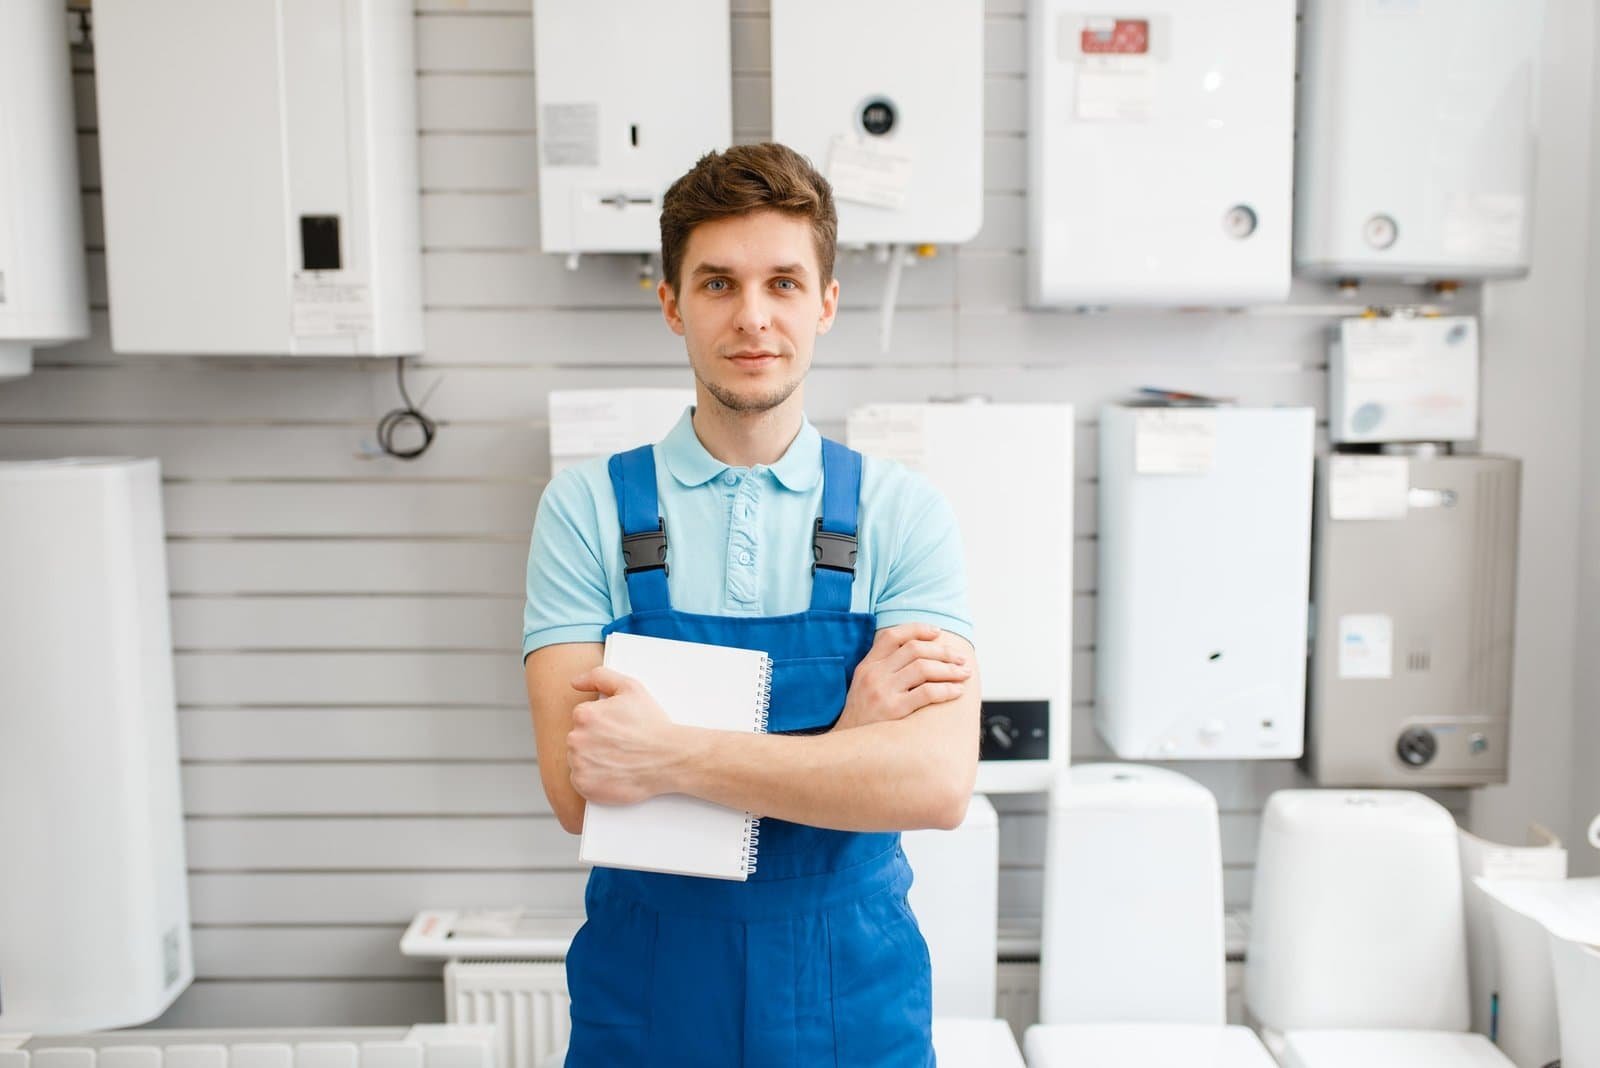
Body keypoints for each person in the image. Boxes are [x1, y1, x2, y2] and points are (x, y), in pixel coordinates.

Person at [521, 142, 981, 1067]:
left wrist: (666, 754)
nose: (753, 316)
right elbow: (579, 790)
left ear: (826, 303)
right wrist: (847, 745)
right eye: (718, 284)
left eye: (783, 282)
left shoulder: (903, 512)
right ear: (672, 304)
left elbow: (933, 785)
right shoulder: (585, 510)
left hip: (852, 997)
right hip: (650, 997)